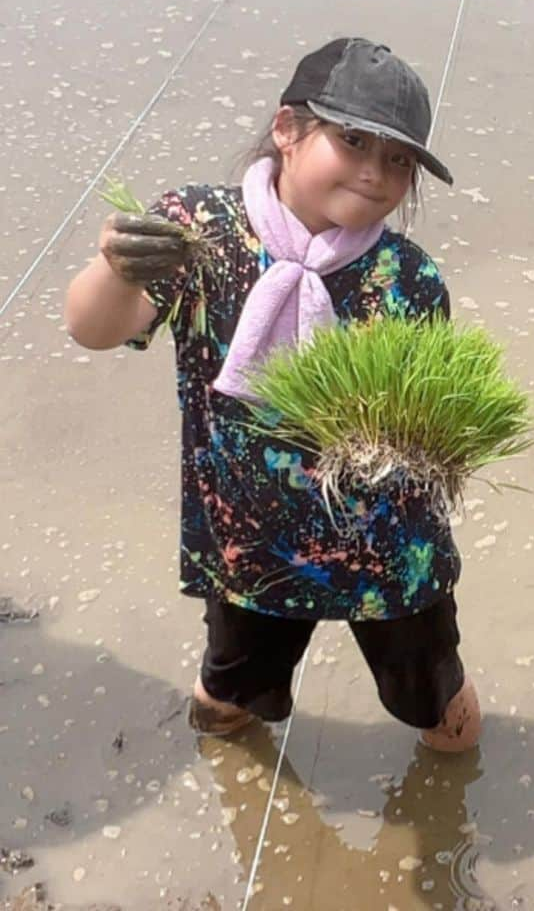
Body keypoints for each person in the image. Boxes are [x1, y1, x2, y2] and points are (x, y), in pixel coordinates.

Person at [64, 38, 480, 751]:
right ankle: (231, 772)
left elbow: (434, 427)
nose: (377, 173)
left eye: (399, 160)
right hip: (247, 546)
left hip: (386, 549)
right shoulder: (199, 233)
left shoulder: (406, 276)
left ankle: (453, 806)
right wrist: (116, 270)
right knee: (226, 696)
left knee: (438, 708)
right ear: (287, 129)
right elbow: (95, 329)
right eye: (352, 141)